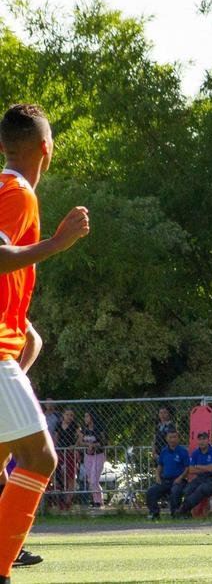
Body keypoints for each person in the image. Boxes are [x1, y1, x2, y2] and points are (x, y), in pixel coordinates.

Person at [0, 104, 89, 580]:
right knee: (39, 458)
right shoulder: (18, 192)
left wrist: (21, 326)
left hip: (6, 347)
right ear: (45, 148)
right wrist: (58, 243)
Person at [145, 428, 189, 520]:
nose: (172, 439)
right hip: (165, 480)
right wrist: (157, 476)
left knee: (175, 491)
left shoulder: (183, 451)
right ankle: (154, 514)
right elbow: (160, 466)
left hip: (179, 480)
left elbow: (187, 468)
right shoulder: (164, 451)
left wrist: (180, 478)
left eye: (174, 437)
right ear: (166, 439)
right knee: (151, 491)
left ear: (178, 439)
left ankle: (175, 514)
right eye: (170, 437)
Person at [178, 431, 212, 517]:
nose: (202, 441)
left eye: (204, 439)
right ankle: (186, 514)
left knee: (201, 489)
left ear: (208, 440)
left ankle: (183, 509)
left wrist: (198, 466)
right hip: (200, 478)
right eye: (200, 439)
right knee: (187, 490)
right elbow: (191, 470)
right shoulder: (195, 453)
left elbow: (211, 469)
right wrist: (205, 468)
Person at [53, 408, 82, 510]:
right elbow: (56, 437)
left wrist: (75, 445)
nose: (69, 417)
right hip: (61, 452)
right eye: (67, 415)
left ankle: (68, 501)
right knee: (58, 475)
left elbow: (80, 436)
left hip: (70, 452)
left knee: (71, 477)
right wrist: (55, 448)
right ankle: (60, 499)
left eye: (71, 415)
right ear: (63, 415)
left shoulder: (75, 425)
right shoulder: (58, 425)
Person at [80, 411, 106, 508]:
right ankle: (97, 500)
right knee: (90, 480)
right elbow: (80, 442)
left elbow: (103, 442)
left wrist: (94, 445)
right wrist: (88, 445)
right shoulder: (84, 429)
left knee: (94, 479)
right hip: (88, 456)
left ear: (92, 418)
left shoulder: (98, 429)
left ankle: (98, 501)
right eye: (85, 416)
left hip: (98, 455)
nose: (85, 418)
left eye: (87, 416)